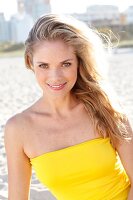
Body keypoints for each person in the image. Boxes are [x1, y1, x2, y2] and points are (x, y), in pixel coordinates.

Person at [4, 13, 133, 200]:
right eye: (43, 65)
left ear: (79, 63)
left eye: (65, 64)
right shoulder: (18, 129)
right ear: (30, 63)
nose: (55, 77)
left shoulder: (104, 107)